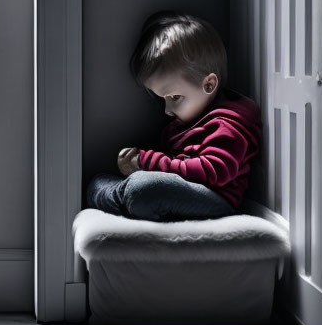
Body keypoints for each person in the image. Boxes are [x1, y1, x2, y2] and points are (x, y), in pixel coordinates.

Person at [86, 11, 262, 222]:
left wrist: (147, 161)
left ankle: (125, 196)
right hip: (179, 191)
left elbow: (212, 172)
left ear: (208, 84)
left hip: (216, 199)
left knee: (143, 188)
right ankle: (124, 195)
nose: (167, 110)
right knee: (99, 181)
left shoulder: (228, 125)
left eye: (175, 97)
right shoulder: (186, 121)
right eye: (163, 100)